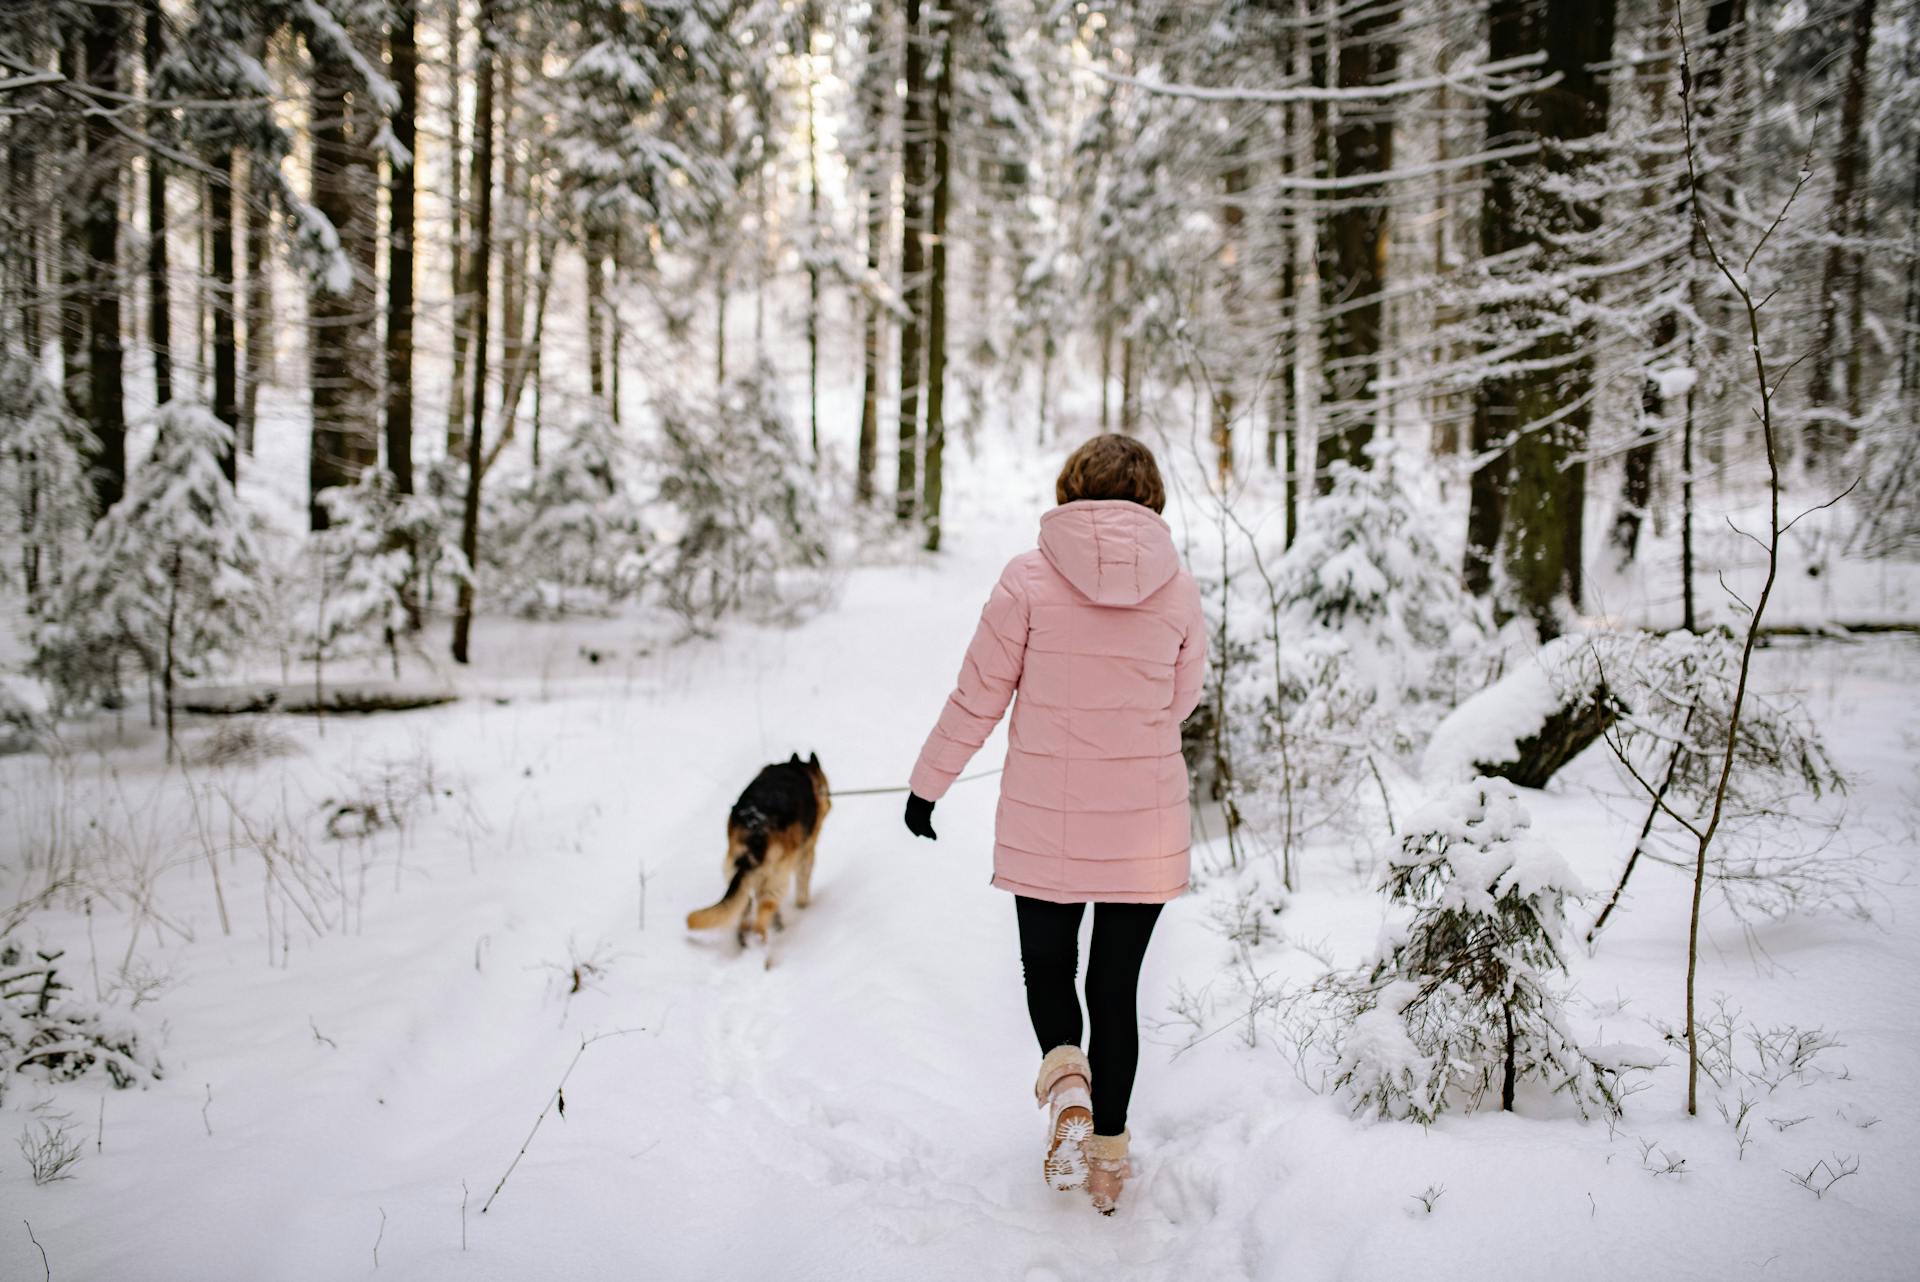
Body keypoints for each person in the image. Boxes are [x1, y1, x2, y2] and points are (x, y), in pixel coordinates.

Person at [902, 433, 1208, 1216]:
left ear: (1071, 487)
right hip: (1144, 823)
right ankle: (1108, 1165)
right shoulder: (1178, 588)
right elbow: (1182, 699)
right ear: (1152, 500)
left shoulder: (1027, 578)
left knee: (1048, 969)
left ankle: (1067, 1085)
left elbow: (979, 696)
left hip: (1047, 818)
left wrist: (926, 787)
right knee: (1115, 989)